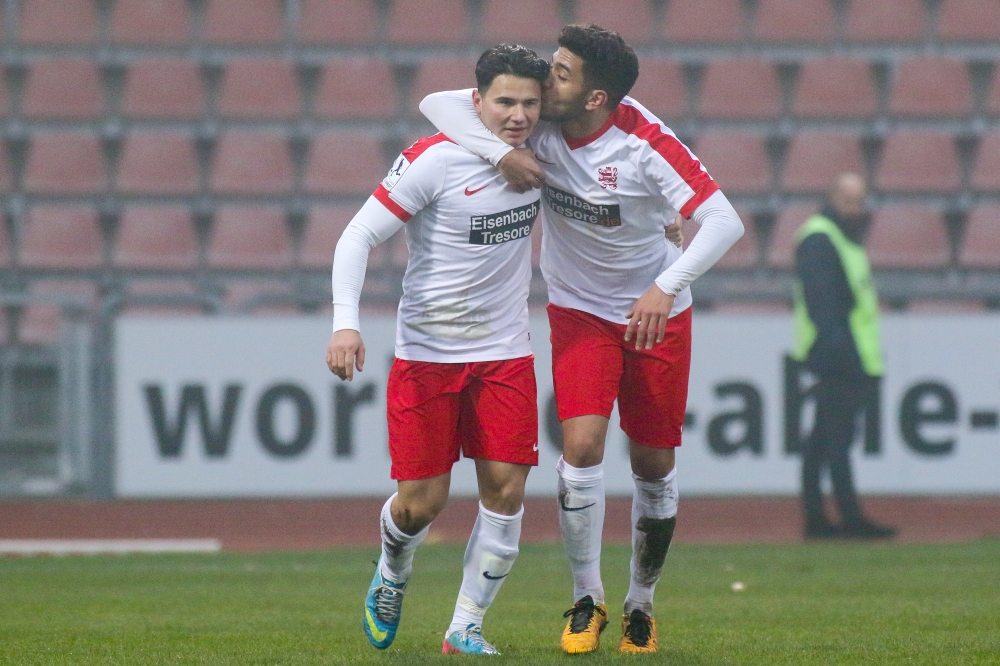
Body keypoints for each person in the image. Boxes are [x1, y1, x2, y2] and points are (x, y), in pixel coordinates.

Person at [420, 24, 744, 654]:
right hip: (579, 311)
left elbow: (723, 221)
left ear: (596, 98)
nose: (546, 79)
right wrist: (499, 154)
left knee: (653, 462)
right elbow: (436, 103)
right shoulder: (535, 122)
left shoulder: (646, 143)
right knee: (582, 445)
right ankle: (586, 600)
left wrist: (665, 285)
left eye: (562, 73)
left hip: (656, 315)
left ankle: (640, 604)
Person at [326, 44, 551, 655]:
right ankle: (392, 571)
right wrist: (347, 323)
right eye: (505, 101)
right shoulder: (432, 161)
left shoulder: (545, 149)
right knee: (423, 504)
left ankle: (466, 627)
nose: (519, 115)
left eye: (531, 103)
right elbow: (356, 236)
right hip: (427, 354)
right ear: (476, 101)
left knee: (506, 489)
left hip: (506, 351)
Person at [792, 172, 896, 540]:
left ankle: (819, 520)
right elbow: (826, 306)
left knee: (823, 440)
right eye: (850, 199)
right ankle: (846, 519)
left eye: (860, 199)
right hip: (837, 355)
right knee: (835, 441)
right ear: (833, 197)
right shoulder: (822, 237)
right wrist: (842, 354)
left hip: (844, 353)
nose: (856, 207)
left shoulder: (837, 237)